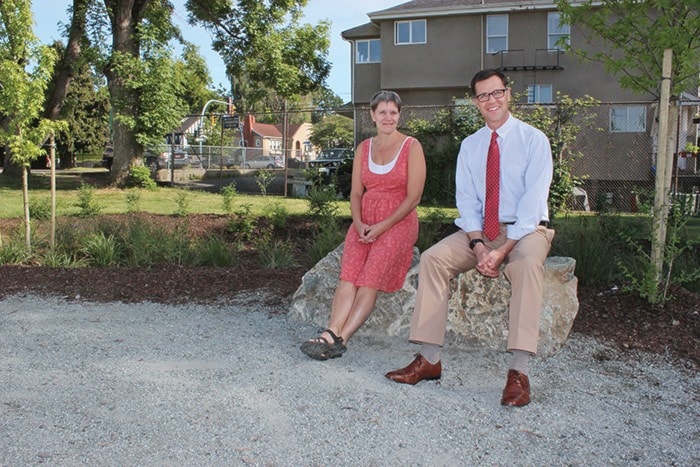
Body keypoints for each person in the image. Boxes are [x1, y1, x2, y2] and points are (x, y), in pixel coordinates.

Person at [385, 69, 555, 407]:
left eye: (496, 93)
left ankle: (518, 373)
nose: (491, 101)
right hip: (480, 232)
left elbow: (533, 203)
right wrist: (478, 246)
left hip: (526, 229)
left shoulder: (534, 140)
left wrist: (503, 249)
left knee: (525, 267)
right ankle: (430, 359)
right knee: (433, 258)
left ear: (508, 94)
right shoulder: (471, 145)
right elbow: (467, 202)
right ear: (475, 101)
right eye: (483, 95)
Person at [301, 90, 426, 361]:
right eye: (382, 112)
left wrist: (382, 226)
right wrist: (358, 224)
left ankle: (340, 339)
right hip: (364, 220)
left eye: (393, 112)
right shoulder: (364, 148)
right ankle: (330, 332)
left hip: (398, 221)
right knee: (349, 276)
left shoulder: (411, 147)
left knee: (369, 279)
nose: (388, 117)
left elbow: (413, 197)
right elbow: (356, 193)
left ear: (399, 115)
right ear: (372, 115)